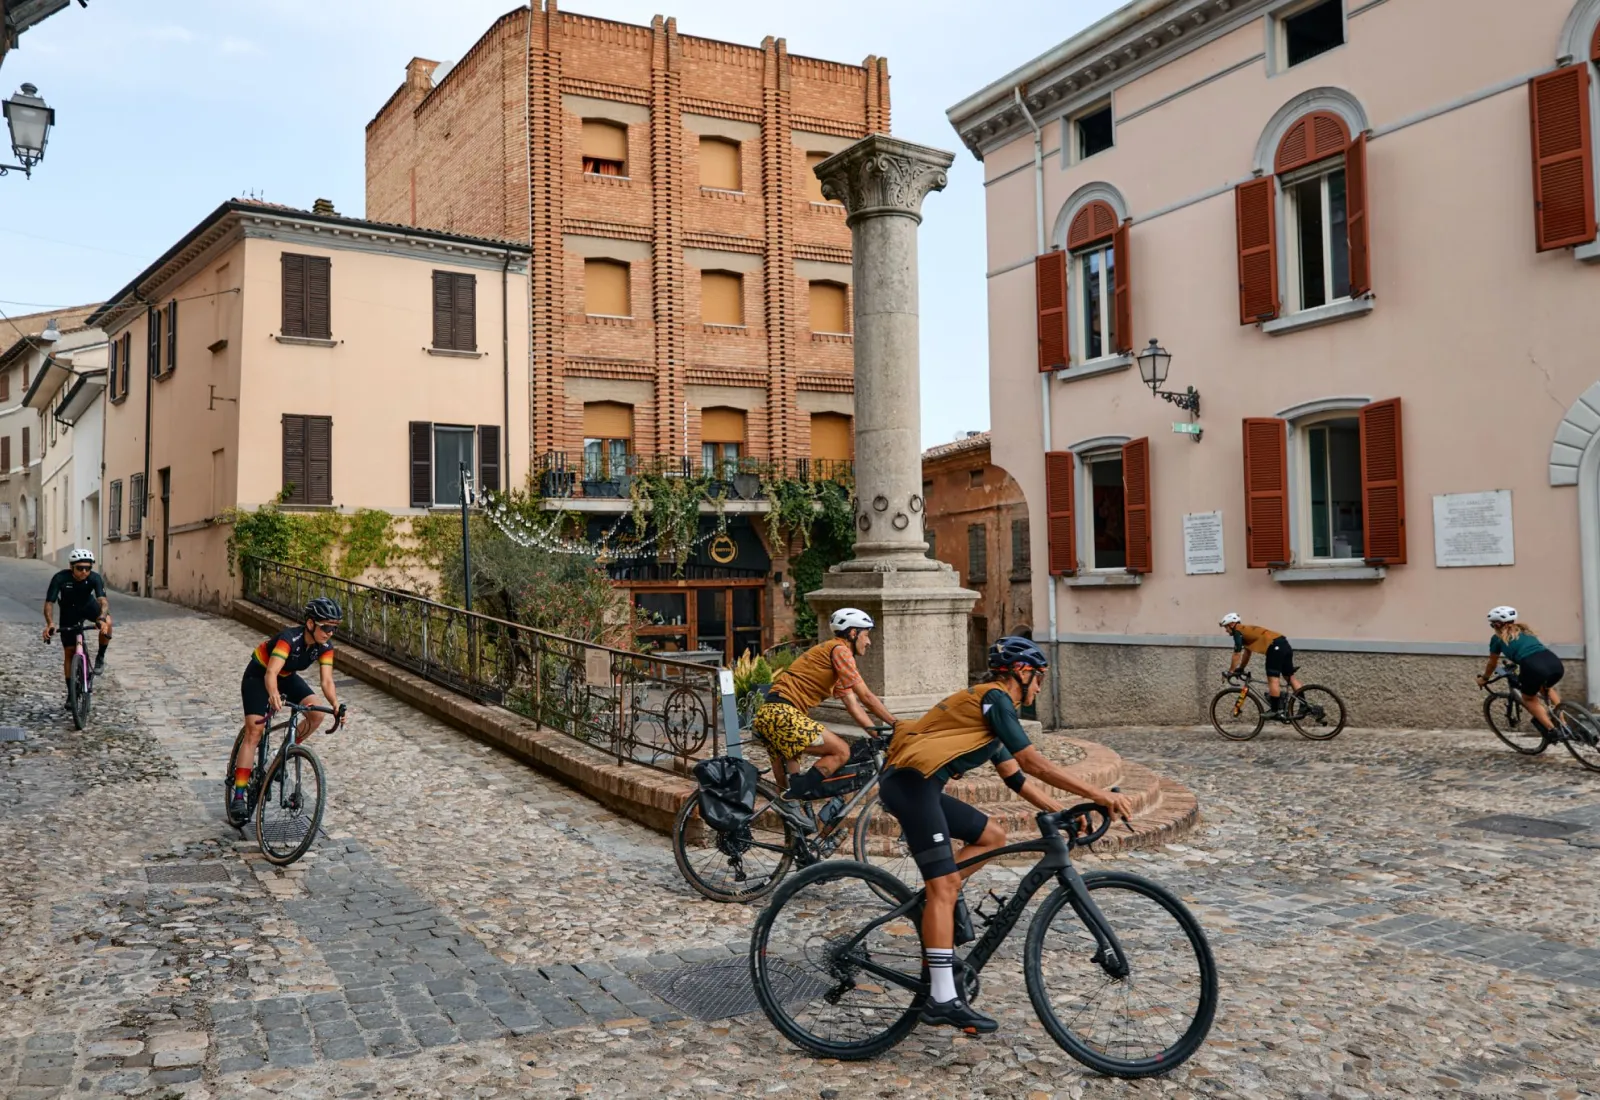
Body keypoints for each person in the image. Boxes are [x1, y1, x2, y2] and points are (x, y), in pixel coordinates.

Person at [879, 636, 1134, 1035]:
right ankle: (942, 998)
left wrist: (1061, 811)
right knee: (946, 887)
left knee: (992, 836)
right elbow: (1034, 763)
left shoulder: (993, 715)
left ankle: (934, 904)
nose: (1039, 688)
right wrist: (1098, 794)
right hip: (910, 786)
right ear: (1021, 671)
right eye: (1039, 678)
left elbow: (1017, 778)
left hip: (920, 786)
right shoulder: (995, 699)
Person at [751, 608, 899, 802]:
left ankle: (793, 811)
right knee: (842, 751)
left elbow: (853, 706)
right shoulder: (840, 650)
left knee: (786, 794)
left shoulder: (831, 656)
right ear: (852, 633)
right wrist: (897, 725)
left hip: (771, 715)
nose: (869, 642)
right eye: (866, 635)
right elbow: (866, 696)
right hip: (783, 714)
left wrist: (877, 734)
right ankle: (798, 791)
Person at [231, 597, 344, 820]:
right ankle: (239, 796)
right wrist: (273, 694)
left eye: (334, 628)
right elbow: (271, 673)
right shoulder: (289, 639)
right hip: (259, 675)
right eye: (326, 627)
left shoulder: (325, 647)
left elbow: (327, 681)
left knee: (316, 714)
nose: (330, 633)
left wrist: (335, 704)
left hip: (286, 677)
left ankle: (280, 755)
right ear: (310, 623)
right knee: (254, 732)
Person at [1476, 606, 1565, 738]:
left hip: (1532, 666)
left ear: (1498, 624)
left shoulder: (1497, 639)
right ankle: (1564, 723)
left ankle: (1553, 731)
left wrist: (1484, 678)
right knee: (1546, 687)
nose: (1493, 627)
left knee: (1529, 699)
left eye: (1492, 624)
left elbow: (1492, 663)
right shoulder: (1525, 631)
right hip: (1554, 662)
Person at [42, 547, 112, 703]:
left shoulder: (94, 578)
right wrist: (50, 623)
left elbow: (103, 601)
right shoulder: (60, 578)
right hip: (69, 611)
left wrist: (101, 618)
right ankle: (71, 693)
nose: (84, 572)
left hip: (88, 606)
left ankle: (100, 656)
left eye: (88, 568)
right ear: (71, 566)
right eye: (80, 568)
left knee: (108, 621)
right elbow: (49, 603)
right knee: (69, 652)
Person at [1220, 612, 1304, 720]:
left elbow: (1237, 654)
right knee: (1290, 677)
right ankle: (1304, 705)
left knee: (1273, 679)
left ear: (1232, 624)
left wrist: (1231, 671)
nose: (1226, 631)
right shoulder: (1246, 630)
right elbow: (1247, 653)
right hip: (1284, 644)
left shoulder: (1238, 632)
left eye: (1226, 627)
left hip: (1275, 648)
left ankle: (1275, 710)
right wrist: (1241, 668)